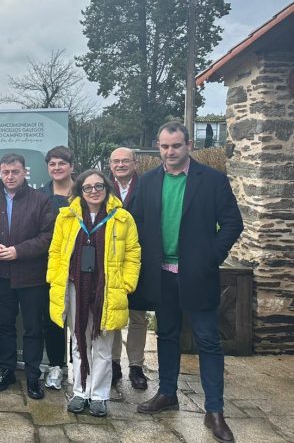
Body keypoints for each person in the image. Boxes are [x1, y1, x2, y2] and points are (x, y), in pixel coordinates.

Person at [134, 122, 243, 443]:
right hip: (160, 275)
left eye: (176, 146)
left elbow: (233, 223)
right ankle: (167, 393)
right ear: (158, 147)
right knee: (166, 335)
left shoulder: (212, 180)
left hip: (198, 275)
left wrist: (210, 256)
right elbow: (136, 221)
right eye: (165, 146)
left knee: (208, 341)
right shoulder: (148, 181)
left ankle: (215, 411)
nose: (170, 152)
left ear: (189, 145)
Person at [47, 169, 141, 418]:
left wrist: (127, 284)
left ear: (107, 188)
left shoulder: (121, 218)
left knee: (102, 343)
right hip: (75, 287)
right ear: (80, 191)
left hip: (106, 290)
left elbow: (133, 253)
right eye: (88, 187)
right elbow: (55, 251)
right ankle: (80, 392)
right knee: (78, 340)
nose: (94, 191)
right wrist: (54, 278)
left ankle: (99, 396)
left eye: (99, 186)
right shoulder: (66, 217)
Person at [0, 153, 55, 400]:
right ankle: (7, 370)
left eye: (15, 171)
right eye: (5, 172)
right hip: (1, 275)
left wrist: (18, 251)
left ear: (25, 172)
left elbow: (48, 237)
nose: (10, 176)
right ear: (0, 173)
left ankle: (33, 376)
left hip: (32, 277)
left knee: (34, 327)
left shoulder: (41, 200)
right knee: (5, 325)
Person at [107, 147, 149, 390]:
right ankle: (113, 363)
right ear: (110, 164)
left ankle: (136, 365)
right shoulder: (101, 187)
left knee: (137, 316)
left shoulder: (147, 186)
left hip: (137, 259)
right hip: (110, 261)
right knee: (112, 314)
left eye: (125, 161)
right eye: (116, 161)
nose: (120, 165)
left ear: (135, 163)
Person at [38, 145, 74, 391]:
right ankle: (56, 366)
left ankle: (83, 367)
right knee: (52, 319)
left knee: (81, 320)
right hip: (49, 265)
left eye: (62, 163)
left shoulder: (85, 192)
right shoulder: (41, 195)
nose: (57, 168)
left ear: (71, 166)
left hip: (81, 265)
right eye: (52, 164)